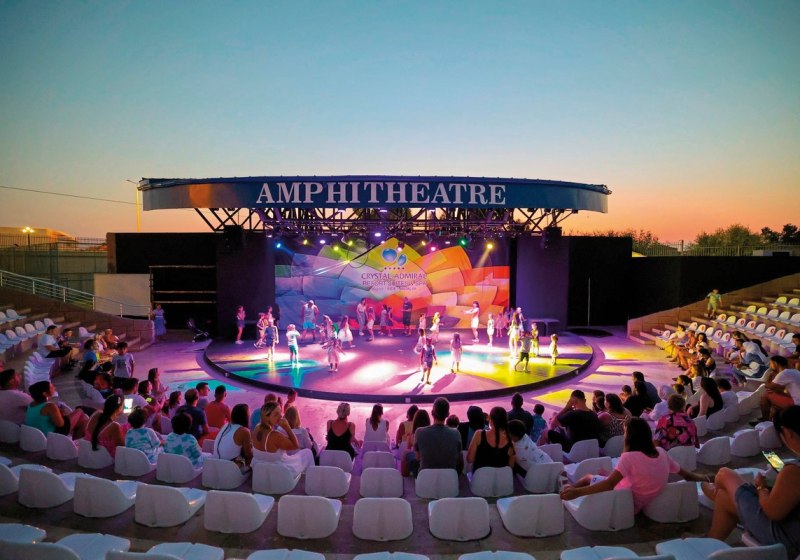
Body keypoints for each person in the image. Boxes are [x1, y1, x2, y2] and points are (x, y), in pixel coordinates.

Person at [701, 406, 800, 557]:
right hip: (792, 530)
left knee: (724, 473)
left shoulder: (793, 472)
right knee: (724, 497)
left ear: (787, 433)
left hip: (786, 539)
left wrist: (761, 488)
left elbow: (772, 512)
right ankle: (709, 542)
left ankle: (712, 490)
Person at [561, 418, 707, 513]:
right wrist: (706, 478)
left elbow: (609, 485)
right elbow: (687, 475)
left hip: (625, 503)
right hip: (636, 496)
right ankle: (570, 489)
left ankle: (567, 491)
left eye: (625, 432)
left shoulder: (628, 458)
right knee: (603, 473)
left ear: (629, 436)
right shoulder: (661, 452)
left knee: (588, 477)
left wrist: (577, 492)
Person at [414, 397, 463, 474]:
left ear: (432, 412)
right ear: (448, 414)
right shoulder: (456, 433)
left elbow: (417, 458)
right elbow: (459, 461)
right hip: (449, 478)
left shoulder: (419, 432)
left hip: (426, 478)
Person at [467, 406, 515, 472]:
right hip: (500, 477)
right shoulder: (510, 441)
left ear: (490, 419)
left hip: (481, 476)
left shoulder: (479, 434)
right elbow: (511, 466)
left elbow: (470, 459)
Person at [756, 356, 800, 422]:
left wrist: (770, 376)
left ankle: (765, 421)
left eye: (771, 364)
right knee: (775, 394)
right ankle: (776, 416)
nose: (770, 366)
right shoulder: (794, 371)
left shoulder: (784, 373)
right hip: (797, 400)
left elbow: (769, 386)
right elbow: (780, 389)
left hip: (797, 404)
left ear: (775, 364)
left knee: (765, 396)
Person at [214, 403, 253, 469]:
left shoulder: (225, 426)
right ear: (246, 417)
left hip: (216, 465)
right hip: (230, 468)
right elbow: (248, 456)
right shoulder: (244, 431)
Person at [402, 408, 431, 476]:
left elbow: (410, 452)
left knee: (406, 453)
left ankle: (405, 476)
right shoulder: (431, 434)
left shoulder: (412, 436)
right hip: (430, 464)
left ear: (415, 421)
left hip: (419, 466)